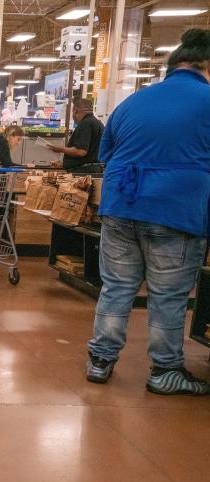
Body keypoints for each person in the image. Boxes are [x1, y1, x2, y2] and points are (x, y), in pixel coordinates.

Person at [85, 28, 210, 395]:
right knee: (168, 296)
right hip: (176, 209)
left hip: (121, 206)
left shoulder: (132, 102)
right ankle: (165, 370)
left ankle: (100, 360)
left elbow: (106, 156)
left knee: (117, 286)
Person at [47, 98, 104, 173]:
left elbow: (81, 151)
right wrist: (64, 163)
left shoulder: (86, 123)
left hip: (84, 172)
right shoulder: (98, 123)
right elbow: (90, 154)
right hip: (93, 169)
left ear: (75, 111)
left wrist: (60, 149)